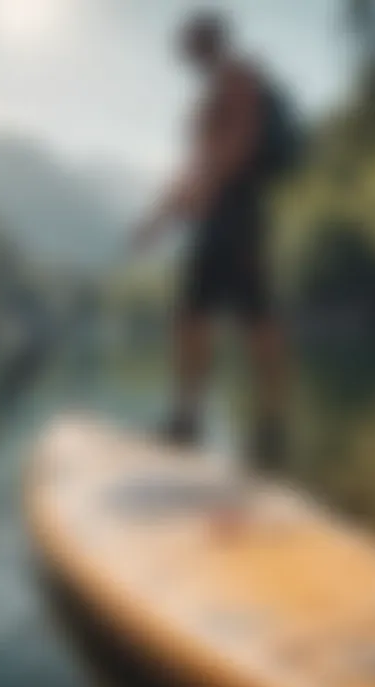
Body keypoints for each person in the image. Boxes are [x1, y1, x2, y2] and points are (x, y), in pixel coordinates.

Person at [134, 11, 300, 471]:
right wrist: (157, 220)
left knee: (257, 321)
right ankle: (187, 422)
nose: (184, 54)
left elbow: (238, 145)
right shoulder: (209, 96)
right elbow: (194, 165)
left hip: (242, 217)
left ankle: (271, 429)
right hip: (213, 224)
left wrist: (199, 193)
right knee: (190, 318)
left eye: (189, 44)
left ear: (209, 42)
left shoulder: (240, 75)